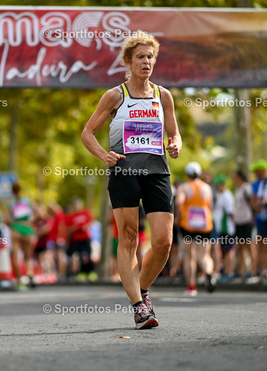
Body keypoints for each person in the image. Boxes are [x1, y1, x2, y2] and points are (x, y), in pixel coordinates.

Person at [82, 30, 181, 329]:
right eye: (140, 57)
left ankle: (142, 289)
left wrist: (175, 144)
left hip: (157, 172)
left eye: (150, 57)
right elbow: (87, 134)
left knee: (163, 242)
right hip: (124, 172)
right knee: (128, 238)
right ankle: (139, 306)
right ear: (128, 61)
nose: (146, 62)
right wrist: (104, 155)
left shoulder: (163, 96)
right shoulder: (116, 95)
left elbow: (174, 133)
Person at [176, 162, 215, 296]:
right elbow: (210, 206)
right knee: (204, 255)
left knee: (189, 256)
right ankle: (209, 273)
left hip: (188, 225)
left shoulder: (184, 187)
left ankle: (192, 286)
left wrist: (177, 217)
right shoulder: (207, 188)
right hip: (204, 224)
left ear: (187, 174)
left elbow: (179, 202)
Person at [4, 182, 36, 290]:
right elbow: (40, 214)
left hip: (16, 228)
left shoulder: (9, 203)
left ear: (12, 191)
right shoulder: (28, 201)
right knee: (27, 257)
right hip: (27, 228)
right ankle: (30, 274)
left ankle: (20, 282)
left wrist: (13, 225)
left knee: (16, 257)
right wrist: (31, 223)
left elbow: (7, 220)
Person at [232, 170, 257, 281]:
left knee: (250, 246)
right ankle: (240, 271)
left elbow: (252, 203)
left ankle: (252, 270)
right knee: (241, 247)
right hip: (239, 221)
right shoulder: (238, 189)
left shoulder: (247, 188)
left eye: (234, 177)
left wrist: (252, 216)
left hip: (247, 220)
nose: (233, 179)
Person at [65, 198, 97, 282]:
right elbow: (68, 229)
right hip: (76, 239)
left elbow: (91, 222)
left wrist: (85, 226)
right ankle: (80, 273)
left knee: (88, 255)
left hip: (85, 238)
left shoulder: (86, 213)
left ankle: (90, 272)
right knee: (78, 256)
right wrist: (74, 228)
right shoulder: (71, 216)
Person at [212, 174, 235, 281]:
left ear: (221, 184)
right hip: (221, 228)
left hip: (227, 228)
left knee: (229, 250)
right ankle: (225, 271)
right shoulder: (220, 195)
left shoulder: (227, 196)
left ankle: (228, 272)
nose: (216, 187)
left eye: (217, 185)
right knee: (224, 251)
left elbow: (230, 213)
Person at [248, 159, 267, 281]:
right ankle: (260, 271)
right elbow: (253, 201)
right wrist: (259, 210)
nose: (255, 172)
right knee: (260, 246)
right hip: (259, 219)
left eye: (256, 170)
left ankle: (266, 271)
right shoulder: (256, 184)